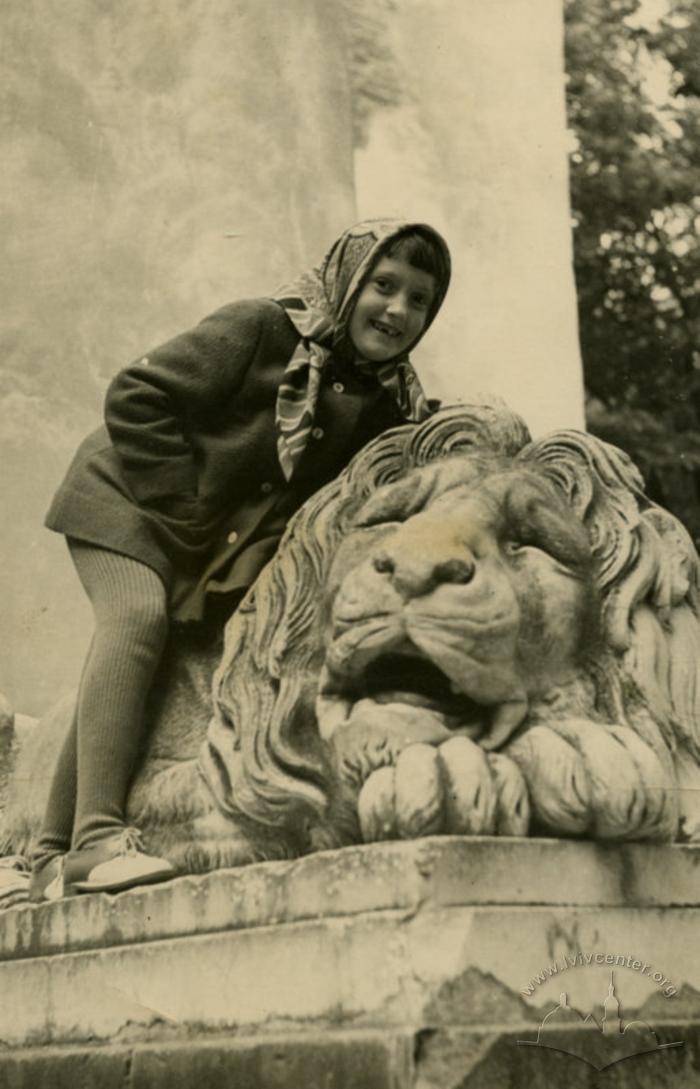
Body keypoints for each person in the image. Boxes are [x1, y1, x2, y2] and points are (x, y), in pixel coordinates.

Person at [1, 218, 451, 907]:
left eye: (419, 299)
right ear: (349, 279)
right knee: (138, 620)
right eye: (383, 286)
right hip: (129, 493)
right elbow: (136, 395)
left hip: (204, 543)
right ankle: (96, 839)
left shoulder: (390, 404)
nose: (397, 310)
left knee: (149, 666)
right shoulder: (262, 327)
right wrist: (186, 514)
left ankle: (51, 857)